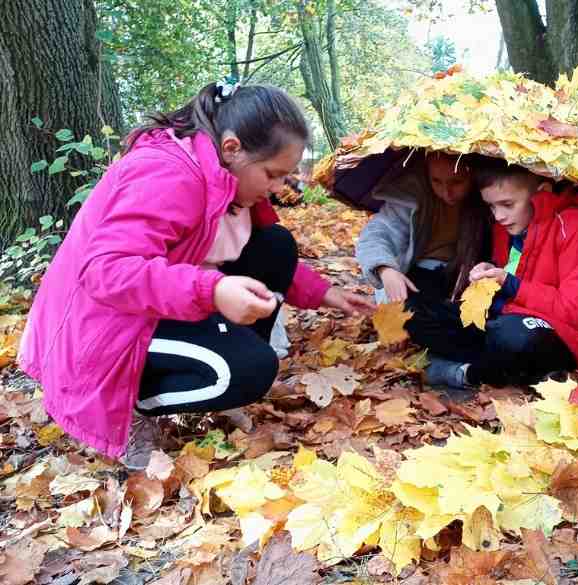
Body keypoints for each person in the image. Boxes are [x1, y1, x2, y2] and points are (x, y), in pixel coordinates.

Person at [18, 81, 373, 469]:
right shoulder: (167, 172)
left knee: (275, 242)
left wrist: (325, 294)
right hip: (97, 332)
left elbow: (258, 252)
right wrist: (214, 289)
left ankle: (215, 368)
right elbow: (106, 271)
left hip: (146, 306)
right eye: (272, 174)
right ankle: (131, 406)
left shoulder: (219, 174)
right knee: (251, 369)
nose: (275, 189)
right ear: (233, 147)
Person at [406, 161, 578, 389]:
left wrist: (511, 284)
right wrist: (488, 271)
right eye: (491, 206)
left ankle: (471, 374)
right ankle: (496, 369)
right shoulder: (506, 226)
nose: (499, 216)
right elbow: (508, 272)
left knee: (514, 336)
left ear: (542, 193)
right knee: (413, 311)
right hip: (504, 318)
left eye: (507, 204)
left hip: (561, 335)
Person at [356, 152, 490, 305]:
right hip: (415, 270)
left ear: (474, 175)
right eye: (436, 181)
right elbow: (378, 232)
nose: (446, 192)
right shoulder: (412, 194)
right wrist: (385, 269)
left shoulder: (491, 199)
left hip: (468, 274)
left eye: (457, 182)